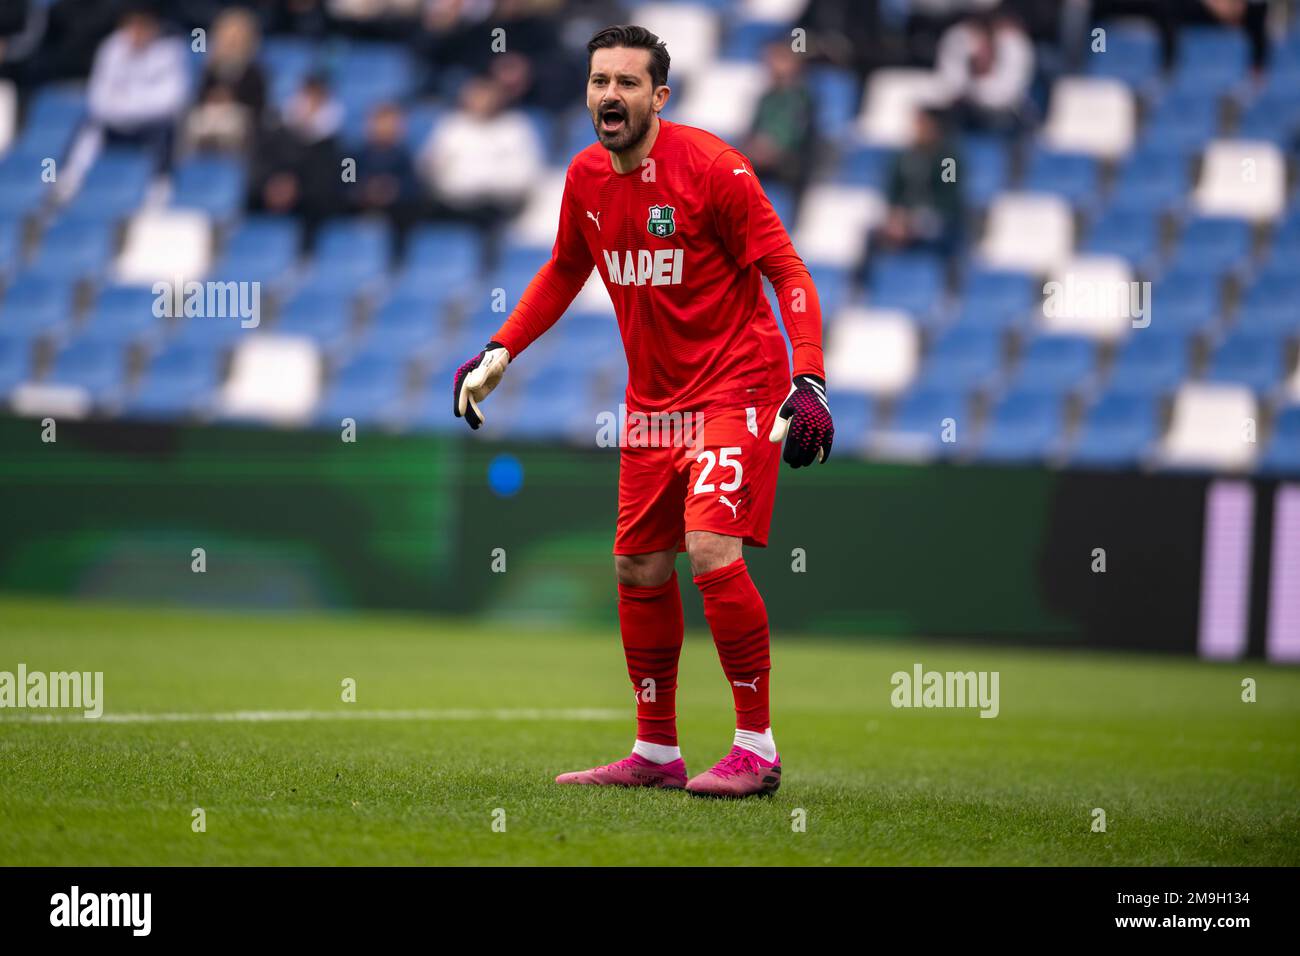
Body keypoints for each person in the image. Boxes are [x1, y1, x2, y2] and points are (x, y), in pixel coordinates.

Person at [451, 25, 834, 798]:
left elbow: (784, 266)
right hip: (652, 405)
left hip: (739, 387)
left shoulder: (714, 168)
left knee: (710, 551)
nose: (610, 95)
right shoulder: (587, 176)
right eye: (600, 81)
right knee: (637, 564)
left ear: (660, 96)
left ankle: (755, 747)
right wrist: (502, 348)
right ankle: (656, 751)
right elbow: (564, 268)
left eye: (628, 83)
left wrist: (811, 379)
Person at [742, 40, 818, 220]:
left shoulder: (802, 98)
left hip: (791, 167)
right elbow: (753, 130)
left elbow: (797, 136)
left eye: (780, 58)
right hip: (761, 162)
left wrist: (771, 150)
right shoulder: (766, 98)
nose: (772, 64)